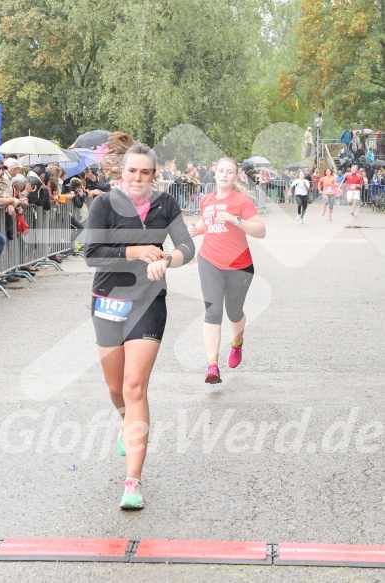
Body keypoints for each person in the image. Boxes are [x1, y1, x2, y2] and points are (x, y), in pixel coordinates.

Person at [85, 142, 195, 510]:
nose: (138, 177)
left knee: (135, 386)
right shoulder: (103, 204)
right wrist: (135, 250)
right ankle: (124, 420)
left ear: (153, 175)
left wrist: (167, 259)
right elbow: (91, 254)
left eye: (145, 172)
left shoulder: (165, 205)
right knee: (116, 388)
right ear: (122, 172)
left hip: (148, 302)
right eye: (132, 171)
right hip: (108, 301)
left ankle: (132, 481)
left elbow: (186, 246)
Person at [187, 157, 265, 384]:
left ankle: (237, 343)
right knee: (213, 311)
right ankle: (212, 365)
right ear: (215, 173)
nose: (224, 175)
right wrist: (197, 229)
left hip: (239, 266)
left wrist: (235, 219)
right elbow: (206, 223)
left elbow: (260, 231)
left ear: (235, 176)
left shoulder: (242, 201)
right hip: (209, 260)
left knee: (234, 312)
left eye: (229, 172)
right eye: (220, 171)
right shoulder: (206, 200)